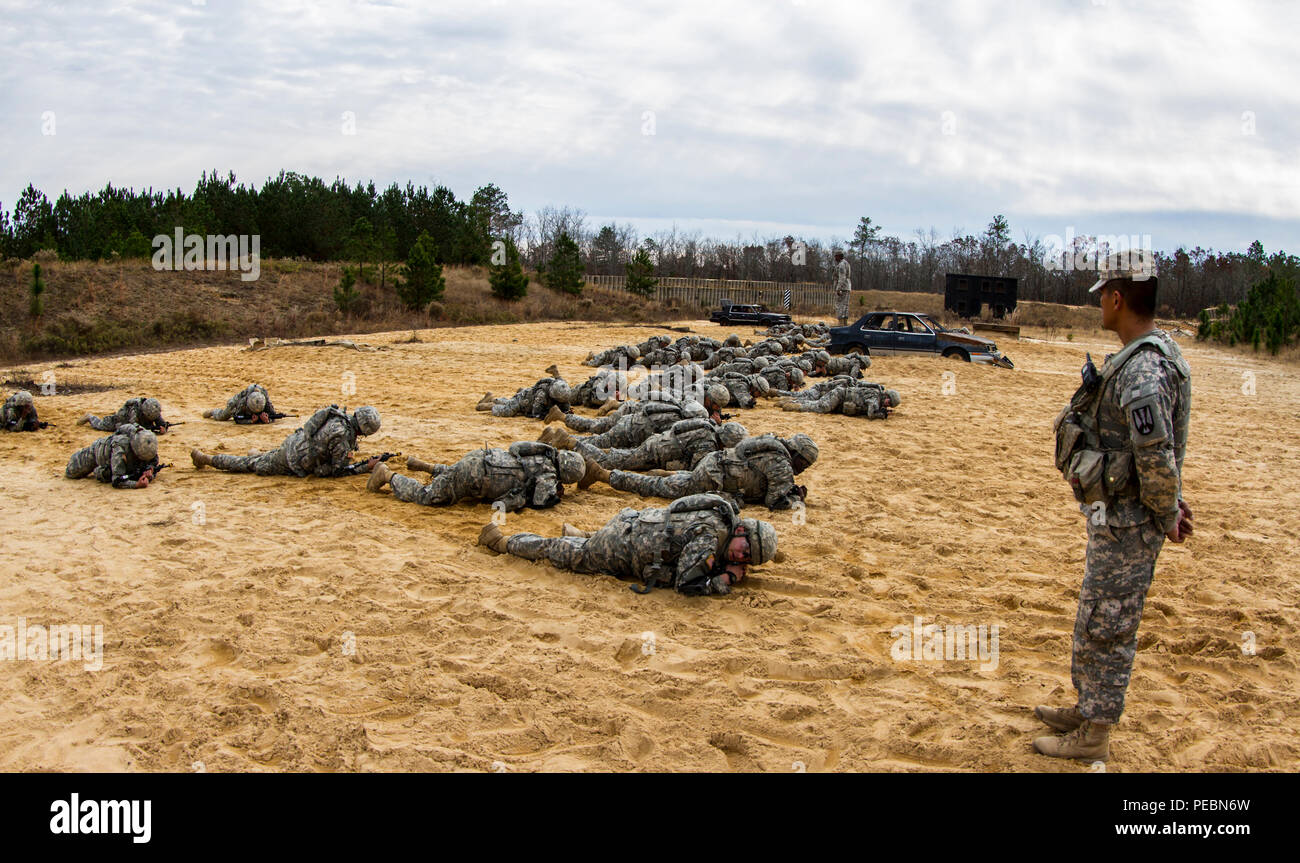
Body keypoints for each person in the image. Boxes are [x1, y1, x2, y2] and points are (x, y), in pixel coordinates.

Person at [1036, 257, 1192, 762]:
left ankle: (1094, 735)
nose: (1098, 301)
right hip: (1115, 518)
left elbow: (1155, 455)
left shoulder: (1143, 370)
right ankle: (1089, 707)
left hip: (1129, 525)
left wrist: (1167, 515)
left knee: (1110, 625)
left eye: (1103, 293)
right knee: (1095, 615)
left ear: (1118, 299)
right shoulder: (1143, 355)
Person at [476, 493, 778, 596]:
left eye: (749, 559)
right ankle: (502, 542)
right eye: (746, 549)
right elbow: (687, 584)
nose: (743, 556)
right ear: (741, 529)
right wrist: (724, 579)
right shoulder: (710, 537)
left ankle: (582, 534)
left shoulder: (720, 515)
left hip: (632, 521)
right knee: (563, 553)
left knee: (590, 544)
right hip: (620, 548)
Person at [598, 433, 818, 511]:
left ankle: (665, 474)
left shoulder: (772, 444)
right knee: (658, 489)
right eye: (804, 463)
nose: (802, 468)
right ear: (796, 454)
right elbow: (775, 502)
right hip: (714, 479)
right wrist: (795, 498)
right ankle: (605, 475)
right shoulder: (782, 464)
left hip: (714, 465)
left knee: (678, 482)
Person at [367, 442, 588, 511]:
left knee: (455, 474)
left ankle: (426, 466)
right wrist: (556, 495)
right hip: (476, 478)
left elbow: (515, 446)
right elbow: (540, 502)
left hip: (481, 457)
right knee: (428, 497)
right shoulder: (548, 476)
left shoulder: (542, 453)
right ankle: (387, 475)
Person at [190, 405, 382, 477]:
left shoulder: (338, 416)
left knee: (265, 458)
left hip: (294, 443)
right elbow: (337, 470)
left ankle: (261, 456)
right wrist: (366, 467)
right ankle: (208, 459)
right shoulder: (342, 437)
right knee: (251, 465)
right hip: (293, 460)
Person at [65, 423, 161, 488]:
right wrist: (136, 484)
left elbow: (154, 460)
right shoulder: (120, 450)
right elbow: (117, 480)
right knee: (71, 472)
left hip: (117, 454)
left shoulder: (147, 443)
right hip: (96, 453)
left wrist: (150, 469)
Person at [477, 367, 572, 418]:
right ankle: (490, 405)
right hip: (521, 401)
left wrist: (566, 412)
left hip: (526, 399)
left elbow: (566, 405)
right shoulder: (542, 395)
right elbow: (536, 413)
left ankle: (493, 399)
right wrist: (550, 413)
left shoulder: (562, 388)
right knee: (507, 411)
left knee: (508, 402)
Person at [78, 397, 173, 433]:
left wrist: (163, 428)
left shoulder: (152, 409)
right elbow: (134, 427)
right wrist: (152, 429)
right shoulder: (134, 410)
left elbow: (161, 422)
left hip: (136, 423)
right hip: (120, 421)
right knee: (100, 425)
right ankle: (90, 417)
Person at [202, 383, 285, 423]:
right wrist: (250, 421)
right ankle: (213, 412)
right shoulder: (243, 401)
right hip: (236, 401)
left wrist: (267, 420)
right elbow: (237, 419)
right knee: (222, 416)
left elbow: (273, 414)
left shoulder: (264, 399)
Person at [832, 250, 852, 326]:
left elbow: (842, 277)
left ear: (839, 256)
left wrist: (838, 288)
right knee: (845, 306)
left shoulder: (842, 265)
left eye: (836, 256)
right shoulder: (846, 263)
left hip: (843, 288)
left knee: (840, 306)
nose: (835, 258)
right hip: (846, 287)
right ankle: (844, 323)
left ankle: (841, 324)